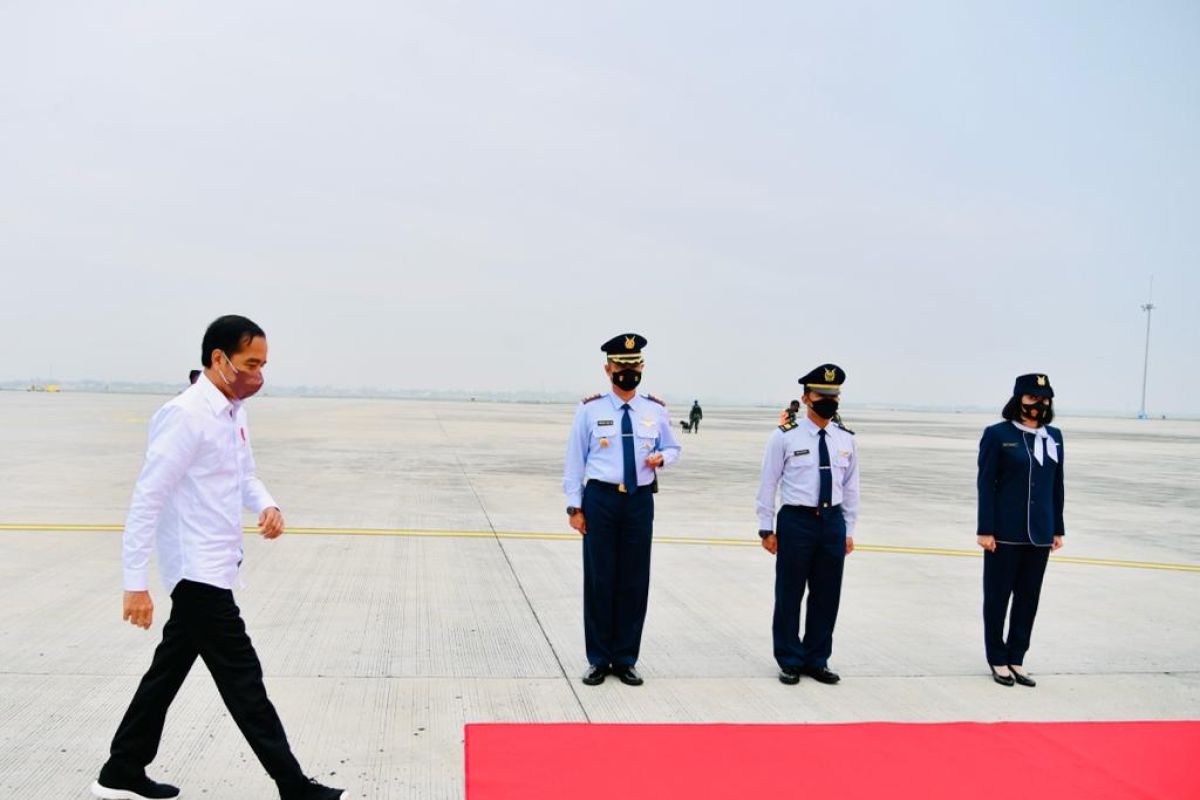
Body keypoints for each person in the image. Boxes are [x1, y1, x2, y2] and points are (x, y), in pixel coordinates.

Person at [91, 315, 345, 800]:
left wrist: (267, 504)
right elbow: (147, 498)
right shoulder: (185, 415)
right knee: (244, 681)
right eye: (250, 363)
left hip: (218, 566)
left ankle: (122, 769)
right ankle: (293, 786)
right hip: (195, 571)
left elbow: (245, 474)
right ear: (218, 359)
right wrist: (135, 583)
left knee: (166, 673)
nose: (258, 375)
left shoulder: (232, 411)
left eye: (264, 365)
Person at [563, 333, 682, 687]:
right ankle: (599, 658)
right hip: (600, 499)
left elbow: (673, 447)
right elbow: (574, 461)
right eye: (621, 366)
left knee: (633, 579)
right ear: (608, 369)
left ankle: (626, 658)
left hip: (638, 501)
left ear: (642, 368)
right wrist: (574, 506)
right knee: (600, 580)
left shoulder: (655, 410)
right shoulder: (590, 409)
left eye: (634, 366)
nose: (627, 372)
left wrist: (663, 457)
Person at [756, 364, 857, 686]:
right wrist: (765, 527)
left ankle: (817, 658)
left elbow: (852, 486)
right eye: (821, 395)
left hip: (832, 521)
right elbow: (768, 483)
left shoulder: (845, 438)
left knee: (827, 594)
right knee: (789, 593)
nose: (828, 400)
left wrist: (849, 529)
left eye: (834, 395)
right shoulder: (785, 437)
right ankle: (788, 659)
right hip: (796, 520)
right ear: (806, 398)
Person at [976, 373, 1065, 688]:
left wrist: (1058, 528)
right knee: (998, 598)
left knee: (1029, 598)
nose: (1038, 404)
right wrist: (985, 528)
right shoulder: (998, 435)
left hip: (1040, 534)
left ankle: (1017, 656)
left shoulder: (1054, 436)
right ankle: (997, 658)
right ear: (1018, 399)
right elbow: (986, 484)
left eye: (1043, 399)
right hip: (1004, 533)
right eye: (1032, 398)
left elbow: (1057, 485)